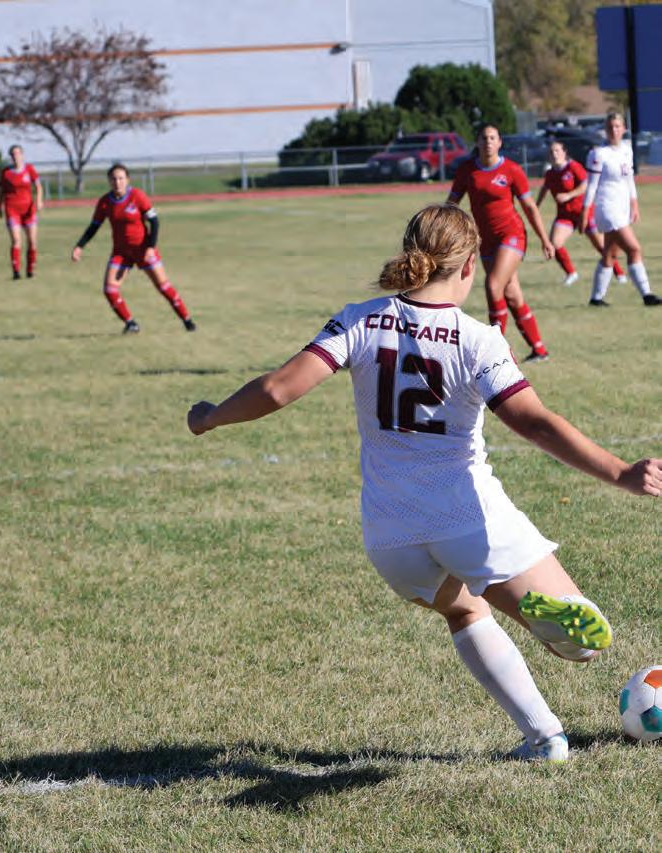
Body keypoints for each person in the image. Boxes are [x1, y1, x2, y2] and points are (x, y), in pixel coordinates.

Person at [188, 203, 662, 761]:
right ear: (470, 266)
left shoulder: (360, 320)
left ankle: (544, 739)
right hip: (467, 518)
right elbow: (534, 423)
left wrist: (211, 416)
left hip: (390, 534)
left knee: (464, 611)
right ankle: (543, 613)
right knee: (580, 647)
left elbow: (276, 389)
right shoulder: (479, 340)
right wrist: (621, 473)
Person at [448, 124, 553, 363]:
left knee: (493, 285)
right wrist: (442, 228)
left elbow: (529, 207)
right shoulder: (467, 170)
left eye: (492, 138)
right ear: (477, 142)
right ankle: (539, 350)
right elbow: (452, 204)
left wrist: (545, 239)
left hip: (512, 235)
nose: (488, 142)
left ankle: (494, 352)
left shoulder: (512, 170)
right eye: (484, 138)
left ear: (500, 142)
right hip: (485, 241)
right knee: (512, 295)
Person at [71, 163, 196, 334]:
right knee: (110, 289)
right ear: (109, 181)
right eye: (113, 179)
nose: (117, 182)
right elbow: (94, 226)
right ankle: (131, 324)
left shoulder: (137, 196)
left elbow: (154, 222)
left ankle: (187, 320)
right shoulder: (105, 202)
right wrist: (80, 246)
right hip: (121, 253)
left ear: (127, 180)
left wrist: (151, 247)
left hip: (143, 249)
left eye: (121, 178)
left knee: (163, 286)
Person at [581, 112, 661, 307]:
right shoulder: (599, 154)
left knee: (610, 254)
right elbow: (591, 186)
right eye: (610, 127)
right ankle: (647, 295)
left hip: (621, 207)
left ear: (624, 129)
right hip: (607, 208)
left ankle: (596, 299)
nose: (614, 130)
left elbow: (629, 179)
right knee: (634, 249)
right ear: (605, 130)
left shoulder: (626, 149)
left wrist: (634, 204)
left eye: (617, 126)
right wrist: (585, 212)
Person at [536, 139, 628, 287]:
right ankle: (571, 274)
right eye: (551, 152)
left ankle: (619, 273)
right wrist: (536, 206)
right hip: (565, 215)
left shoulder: (573, 167)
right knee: (555, 243)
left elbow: (586, 185)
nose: (554, 154)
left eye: (557, 151)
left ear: (564, 153)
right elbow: (544, 189)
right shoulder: (550, 174)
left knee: (601, 246)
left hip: (584, 213)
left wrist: (569, 195)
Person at [0, 144, 42, 280]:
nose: (15, 156)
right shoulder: (6, 173)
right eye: (13, 154)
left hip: (29, 210)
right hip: (12, 209)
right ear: (10, 157)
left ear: (22, 155)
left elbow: (38, 186)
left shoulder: (29, 169)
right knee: (16, 240)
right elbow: (1, 191)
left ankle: (30, 270)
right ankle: (16, 271)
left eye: (18, 153)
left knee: (32, 241)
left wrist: (39, 200)